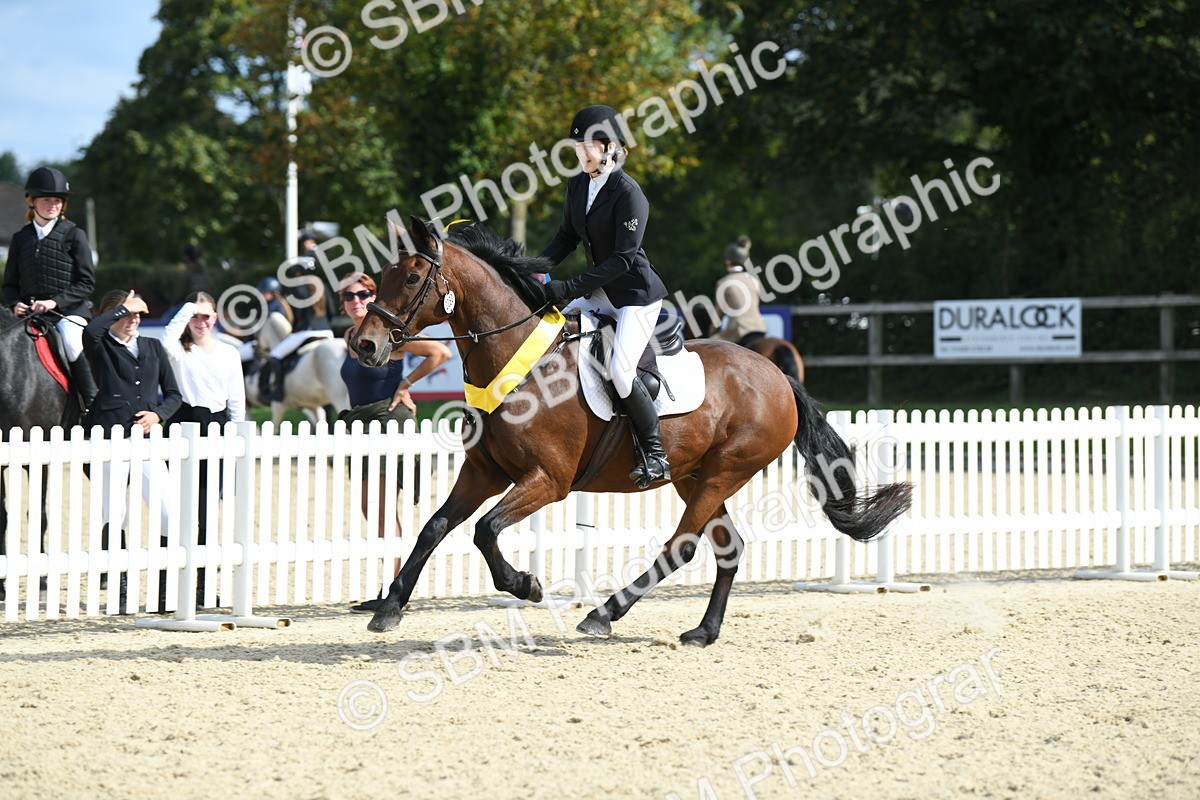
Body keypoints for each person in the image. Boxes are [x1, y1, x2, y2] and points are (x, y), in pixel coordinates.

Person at [539, 104, 671, 488]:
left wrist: (567, 287)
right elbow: (566, 236)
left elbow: (623, 259)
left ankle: (655, 453)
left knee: (620, 371)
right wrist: (533, 268)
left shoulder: (630, 194)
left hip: (635, 296)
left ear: (610, 147)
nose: (580, 154)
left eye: (587, 148)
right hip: (599, 292)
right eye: (577, 147)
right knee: (550, 333)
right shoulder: (579, 184)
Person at [338, 273, 452, 613]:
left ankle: (394, 590)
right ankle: (392, 585)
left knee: (382, 507)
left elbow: (440, 352)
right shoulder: (349, 335)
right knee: (370, 507)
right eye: (349, 296)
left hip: (388, 421)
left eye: (365, 294)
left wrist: (405, 384)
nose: (357, 300)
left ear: (376, 297)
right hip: (361, 423)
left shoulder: (389, 333)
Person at [83, 289, 183, 611]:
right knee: (115, 514)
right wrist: (124, 306)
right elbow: (91, 330)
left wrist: (159, 415)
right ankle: (120, 591)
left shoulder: (153, 347)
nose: (134, 319)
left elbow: (173, 394)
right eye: (127, 314)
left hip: (147, 440)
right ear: (111, 315)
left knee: (169, 511)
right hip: (110, 437)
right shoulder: (101, 346)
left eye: (139, 314)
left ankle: (164, 591)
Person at [163, 292, 246, 600]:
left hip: (218, 427)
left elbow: (236, 397)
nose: (201, 322)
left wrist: (237, 437)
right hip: (183, 425)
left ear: (216, 318)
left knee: (207, 512)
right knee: (178, 510)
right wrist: (188, 309)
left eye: (206, 316)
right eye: (195, 316)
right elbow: (166, 338)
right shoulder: (177, 351)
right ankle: (173, 584)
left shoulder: (228, 352)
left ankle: (203, 586)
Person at [2, 166, 98, 414]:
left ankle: (90, 404)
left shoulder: (74, 235)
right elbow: (10, 284)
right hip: (30, 312)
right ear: (32, 202)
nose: (53, 205)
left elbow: (86, 283)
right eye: (47, 200)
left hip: (67, 312)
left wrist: (55, 302)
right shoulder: (21, 238)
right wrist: (14, 303)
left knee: (71, 343)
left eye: (58, 200)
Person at [259, 235, 334, 402]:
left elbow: (295, 317)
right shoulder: (324, 288)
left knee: (275, 355)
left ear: (298, 272)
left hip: (307, 333)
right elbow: (331, 313)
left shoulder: (297, 289)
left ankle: (278, 392)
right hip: (328, 332)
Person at [712, 236, 768, 345]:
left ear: (728, 262)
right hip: (760, 329)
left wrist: (711, 332)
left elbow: (718, 315)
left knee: (708, 347)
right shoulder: (754, 280)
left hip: (738, 331)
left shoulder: (723, 282)